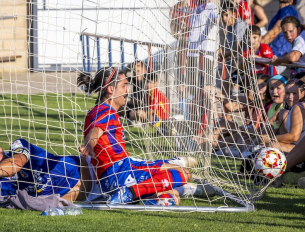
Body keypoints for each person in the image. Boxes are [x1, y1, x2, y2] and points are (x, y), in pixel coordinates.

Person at [77, 67, 214, 205]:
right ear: (111, 89)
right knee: (184, 173)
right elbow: (95, 132)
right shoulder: (105, 111)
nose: (128, 90)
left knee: (172, 196)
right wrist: (89, 145)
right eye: (124, 86)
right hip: (119, 173)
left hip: (115, 174)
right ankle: (131, 193)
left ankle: (159, 193)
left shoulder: (98, 110)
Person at [187, 0, 219, 135]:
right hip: (192, 55)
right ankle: (197, 126)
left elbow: (217, 18)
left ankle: (212, 124)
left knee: (206, 91)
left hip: (204, 55)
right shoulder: (196, 9)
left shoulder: (213, 8)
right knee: (195, 92)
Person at [262, 0, 300, 74]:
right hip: (270, 57)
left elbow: (275, 31)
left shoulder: (289, 10)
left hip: (277, 58)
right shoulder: (281, 11)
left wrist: (257, 45)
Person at [269, 76, 305, 152]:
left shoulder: (299, 107)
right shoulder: (289, 109)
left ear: (303, 93)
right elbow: (285, 136)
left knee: (272, 145)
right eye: (287, 93)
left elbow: (293, 137)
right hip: (297, 146)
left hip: (303, 149)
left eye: (294, 93)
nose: (290, 97)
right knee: (272, 144)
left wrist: (270, 138)